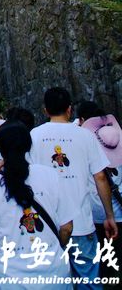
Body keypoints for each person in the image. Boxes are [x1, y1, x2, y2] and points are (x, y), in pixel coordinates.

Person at [30, 88, 118, 288]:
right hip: (81, 222)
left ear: (45, 110)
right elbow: (100, 177)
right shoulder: (85, 136)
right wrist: (109, 216)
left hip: (50, 225)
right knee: (89, 280)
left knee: (54, 282)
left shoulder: (34, 136)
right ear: (69, 109)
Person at [0, 121, 73, 290]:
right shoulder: (50, 175)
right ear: (28, 145)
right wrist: (58, 246)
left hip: (11, 278)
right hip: (54, 274)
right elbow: (67, 228)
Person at [78, 101, 122, 283]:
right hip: (120, 206)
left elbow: (100, 178)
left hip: (98, 211)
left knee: (104, 258)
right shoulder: (117, 135)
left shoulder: (86, 143)